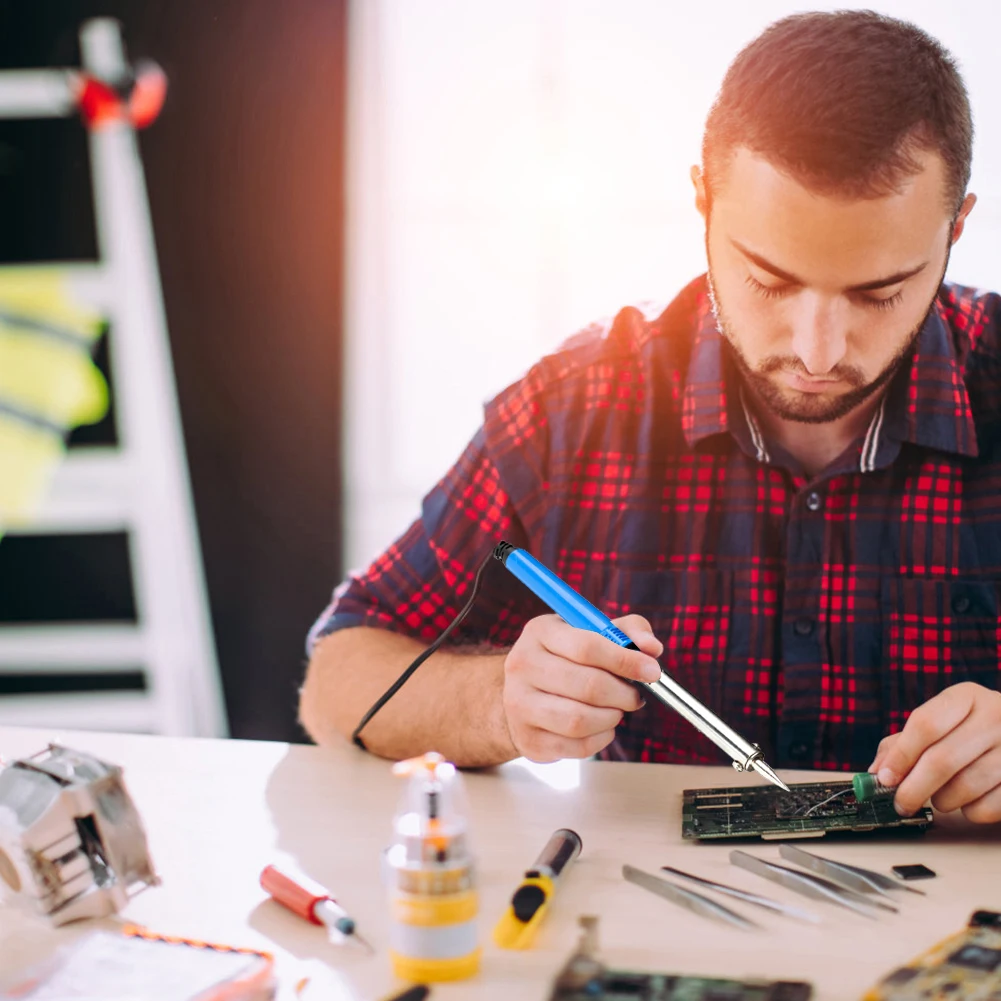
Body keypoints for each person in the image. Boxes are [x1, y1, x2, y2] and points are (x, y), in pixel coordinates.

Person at [301, 10, 1001, 823]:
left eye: (879, 292)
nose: (817, 350)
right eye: (769, 281)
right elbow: (337, 681)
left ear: (955, 227)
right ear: (702, 200)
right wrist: (499, 702)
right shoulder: (573, 410)